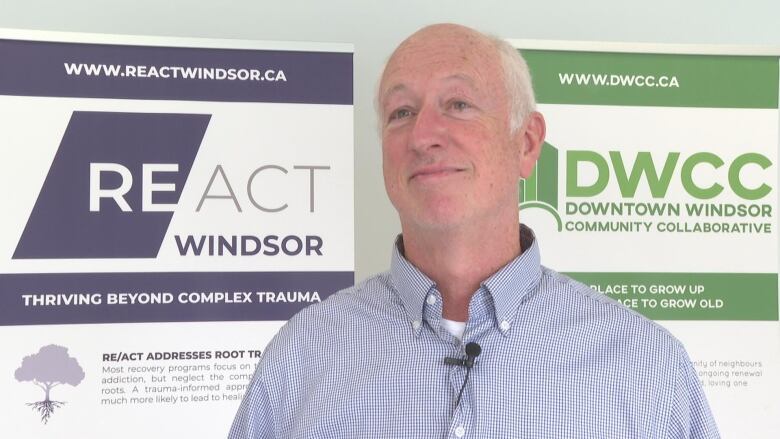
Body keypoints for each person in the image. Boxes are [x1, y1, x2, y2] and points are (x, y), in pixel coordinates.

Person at [229, 23, 720, 438]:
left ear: (526, 144)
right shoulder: (302, 355)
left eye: (458, 104)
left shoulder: (645, 366)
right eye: (401, 112)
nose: (423, 136)